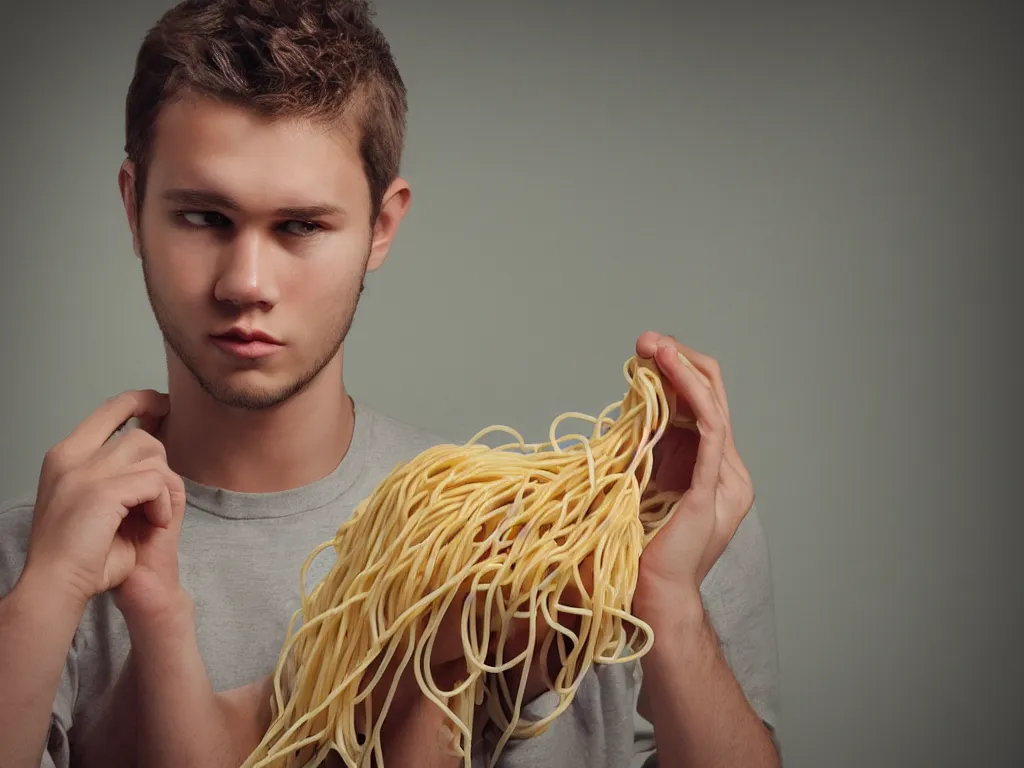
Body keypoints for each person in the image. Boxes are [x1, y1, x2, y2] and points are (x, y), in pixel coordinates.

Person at [0, 1, 782, 766]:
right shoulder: (38, 563)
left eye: (301, 226)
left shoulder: (604, 539)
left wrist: (669, 606)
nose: (246, 283)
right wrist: (45, 595)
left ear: (382, 226)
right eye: (204, 218)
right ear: (134, 206)